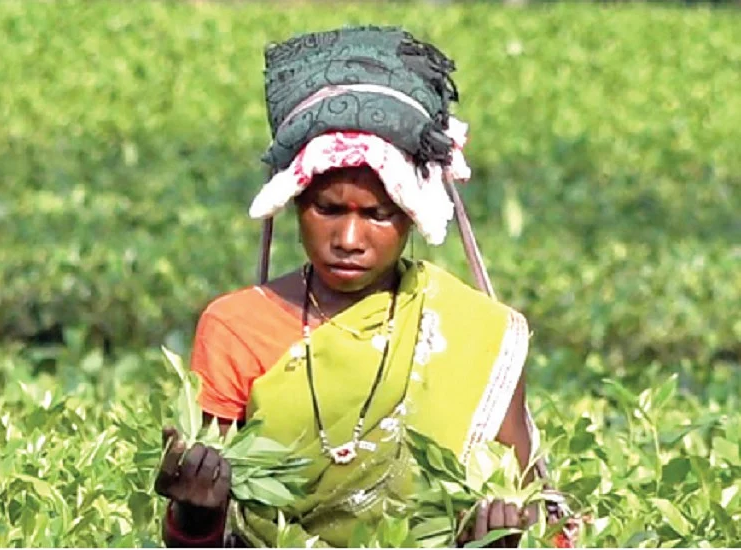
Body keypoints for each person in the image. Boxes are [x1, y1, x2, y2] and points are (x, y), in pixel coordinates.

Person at [154, 26, 558, 548]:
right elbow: (202, 533)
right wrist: (193, 514)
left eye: (377, 215)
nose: (348, 239)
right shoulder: (238, 328)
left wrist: (505, 537)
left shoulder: (476, 331)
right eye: (328, 209)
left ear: (412, 217)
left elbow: (538, 512)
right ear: (298, 203)